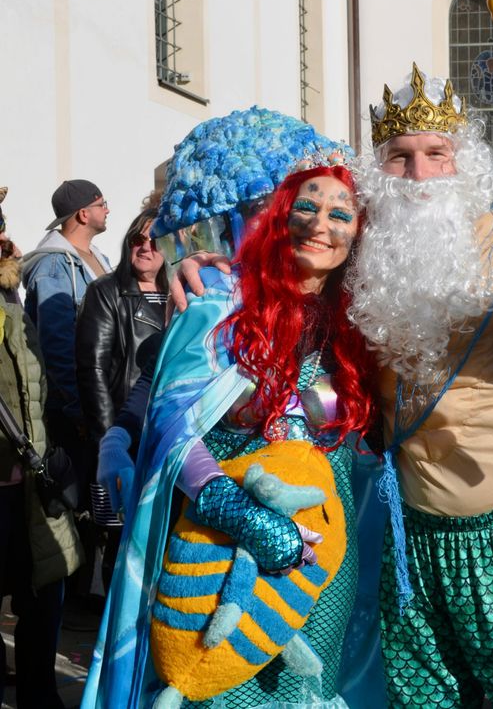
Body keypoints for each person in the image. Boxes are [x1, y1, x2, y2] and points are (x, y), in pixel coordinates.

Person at [174, 66, 493, 707]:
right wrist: (216, 272)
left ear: (467, 164)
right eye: (399, 158)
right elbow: (289, 275)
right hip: (409, 545)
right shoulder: (369, 255)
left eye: (436, 155)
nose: (417, 175)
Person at [84, 109, 381, 709]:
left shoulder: (366, 324)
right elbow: (173, 421)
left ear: (360, 231)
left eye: (340, 214)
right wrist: (230, 506)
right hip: (214, 541)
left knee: (305, 691)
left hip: (321, 557)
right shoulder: (218, 299)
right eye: (305, 206)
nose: (320, 225)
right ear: (279, 215)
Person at [0, 189, 83, 708]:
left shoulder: (10, 289)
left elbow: (32, 376)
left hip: (29, 470)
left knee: (44, 586)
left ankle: (37, 691)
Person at [75, 207, 168, 590]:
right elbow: (92, 371)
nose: (145, 248)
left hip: (167, 435)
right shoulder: (108, 292)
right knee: (122, 536)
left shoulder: (185, 293)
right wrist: (108, 442)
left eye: (154, 241)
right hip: (125, 435)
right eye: (137, 240)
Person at [22, 179, 111, 484]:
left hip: (99, 402)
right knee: (83, 500)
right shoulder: (53, 265)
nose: (108, 210)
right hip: (75, 411)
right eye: (102, 204)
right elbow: (56, 344)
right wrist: (77, 409)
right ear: (83, 214)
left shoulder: (99, 257)